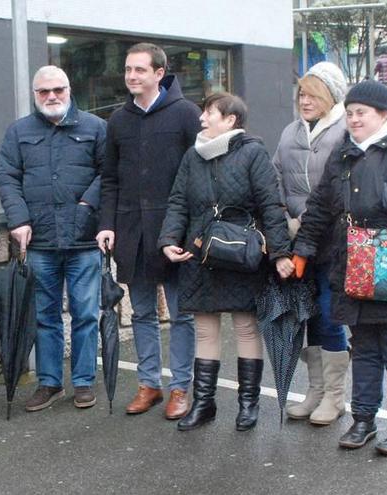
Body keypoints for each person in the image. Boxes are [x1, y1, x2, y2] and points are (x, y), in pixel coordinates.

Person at [293, 80, 387, 455]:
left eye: (362, 113)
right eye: (350, 113)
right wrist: (303, 249)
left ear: (384, 114)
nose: (354, 119)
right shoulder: (345, 154)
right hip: (354, 265)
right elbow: (320, 205)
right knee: (362, 347)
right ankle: (363, 419)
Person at [158, 93, 294, 432]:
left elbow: (270, 206)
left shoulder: (253, 152)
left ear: (231, 120)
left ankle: (248, 405)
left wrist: (279, 254)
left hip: (242, 254)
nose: (202, 119)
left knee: (247, 327)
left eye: (209, 113)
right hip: (199, 253)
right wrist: (168, 241)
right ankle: (205, 404)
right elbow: (178, 202)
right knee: (205, 329)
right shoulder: (192, 156)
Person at [97, 43, 201, 419]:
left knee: (181, 314)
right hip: (131, 232)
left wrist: (193, 230)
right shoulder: (118, 121)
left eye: (140, 70)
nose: (131, 76)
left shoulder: (187, 114)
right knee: (141, 313)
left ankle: (180, 388)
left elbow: (199, 177)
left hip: (174, 233)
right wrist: (106, 224)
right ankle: (148, 384)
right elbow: (109, 179)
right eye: (128, 70)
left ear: (159, 73)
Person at [0, 65, 106, 412]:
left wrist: (89, 203)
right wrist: (18, 219)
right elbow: (7, 177)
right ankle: (50, 382)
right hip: (39, 241)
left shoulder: (96, 127)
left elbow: (109, 174)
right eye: (44, 92)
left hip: (83, 239)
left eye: (57, 89)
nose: (52, 96)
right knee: (44, 316)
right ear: (35, 95)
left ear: (69, 90)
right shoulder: (19, 131)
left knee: (86, 313)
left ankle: (85, 381)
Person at [273, 61, 350, 426]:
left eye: (312, 94)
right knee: (310, 317)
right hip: (294, 239)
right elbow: (274, 177)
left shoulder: (345, 131)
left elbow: (341, 188)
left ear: (331, 96)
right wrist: (282, 220)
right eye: (301, 94)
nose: (305, 101)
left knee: (330, 312)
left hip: (333, 240)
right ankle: (316, 391)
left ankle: (335, 396)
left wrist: (305, 220)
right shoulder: (290, 133)